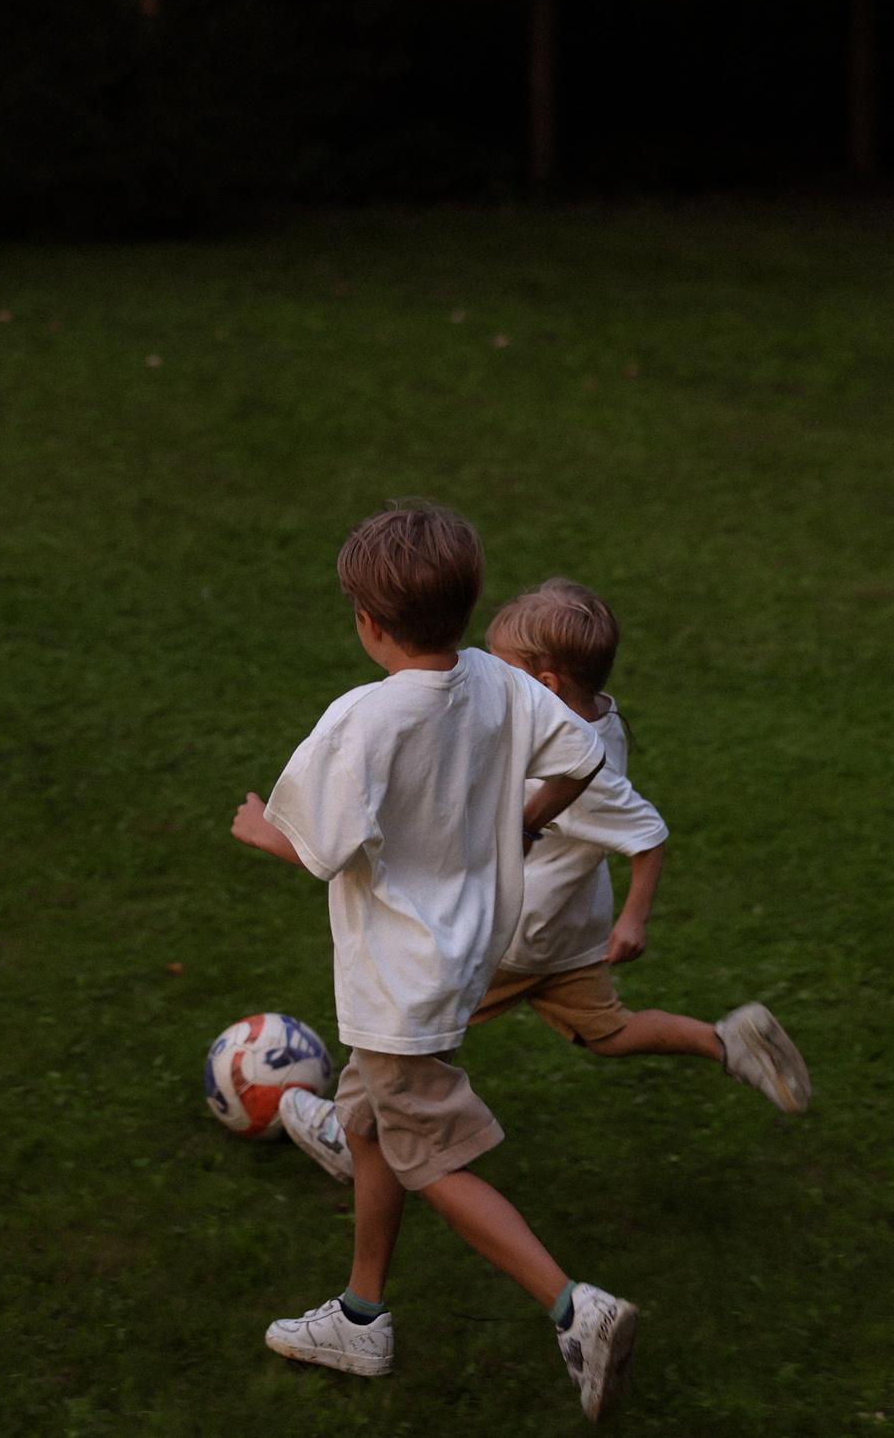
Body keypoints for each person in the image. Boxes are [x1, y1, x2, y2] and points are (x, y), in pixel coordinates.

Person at [229, 504, 640, 1420]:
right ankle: (361, 1314)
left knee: (431, 1157)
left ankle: (576, 1307)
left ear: (368, 623)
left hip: (399, 984)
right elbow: (581, 755)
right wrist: (523, 819)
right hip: (461, 955)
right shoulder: (497, 681)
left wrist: (264, 830)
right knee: (371, 1124)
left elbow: (324, 847)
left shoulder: (361, 718)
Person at [280, 578, 811, 1188]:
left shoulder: (587, 767)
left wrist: (634, 917)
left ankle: (351, 1136)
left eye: (505, 670)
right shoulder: (594, 718)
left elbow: (649, 833)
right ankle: (726, 1042)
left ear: (547, 684)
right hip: (567, 931)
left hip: (511, 935)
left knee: (400, 1035)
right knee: (607, 1030)